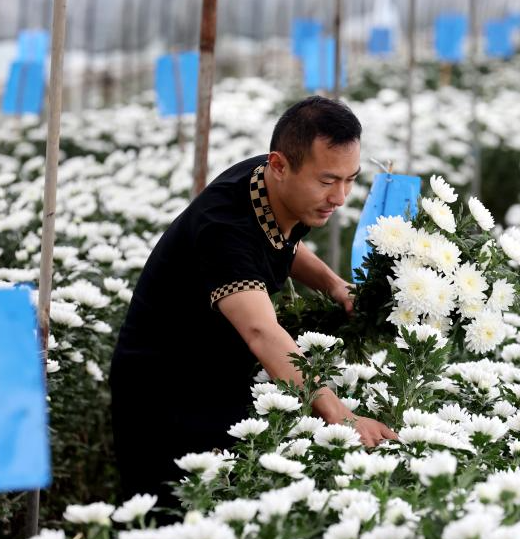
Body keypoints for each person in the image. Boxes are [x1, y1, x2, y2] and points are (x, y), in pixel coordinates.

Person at [109, 96, 398, 505]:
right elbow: (262, 332)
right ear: (279, 164)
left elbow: (281, 245)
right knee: (173, 522)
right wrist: (339, 414)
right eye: (328, 180)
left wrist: (333, 284)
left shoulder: (275, 188)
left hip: (218, 373)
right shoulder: (224, 227)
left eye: (350, 179)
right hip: (165, 392)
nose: (340, 197)